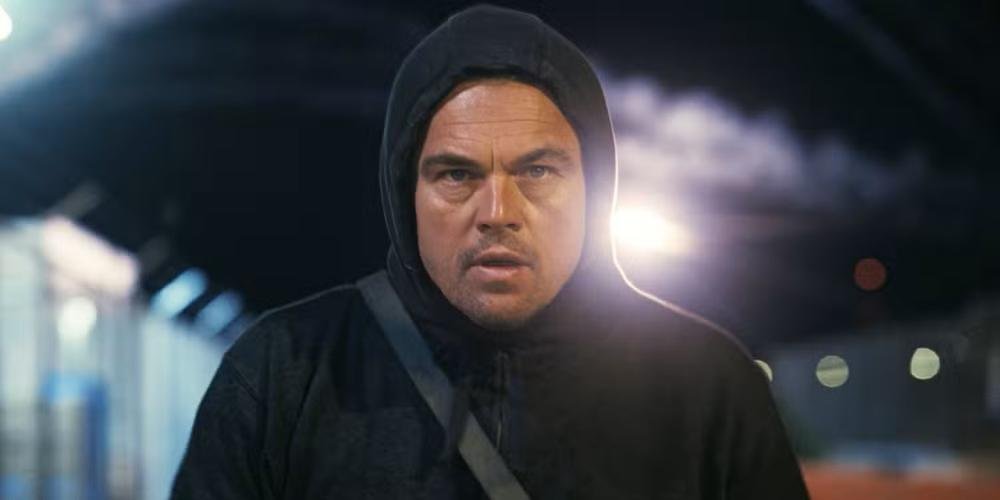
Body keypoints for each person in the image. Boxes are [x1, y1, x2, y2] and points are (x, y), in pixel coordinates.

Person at [171, 4, 809, 499]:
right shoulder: (283, 374)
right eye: (456, 174)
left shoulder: (708, 389)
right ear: (404, 192)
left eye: (538, 172)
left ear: (596, 186)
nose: (498, 212)